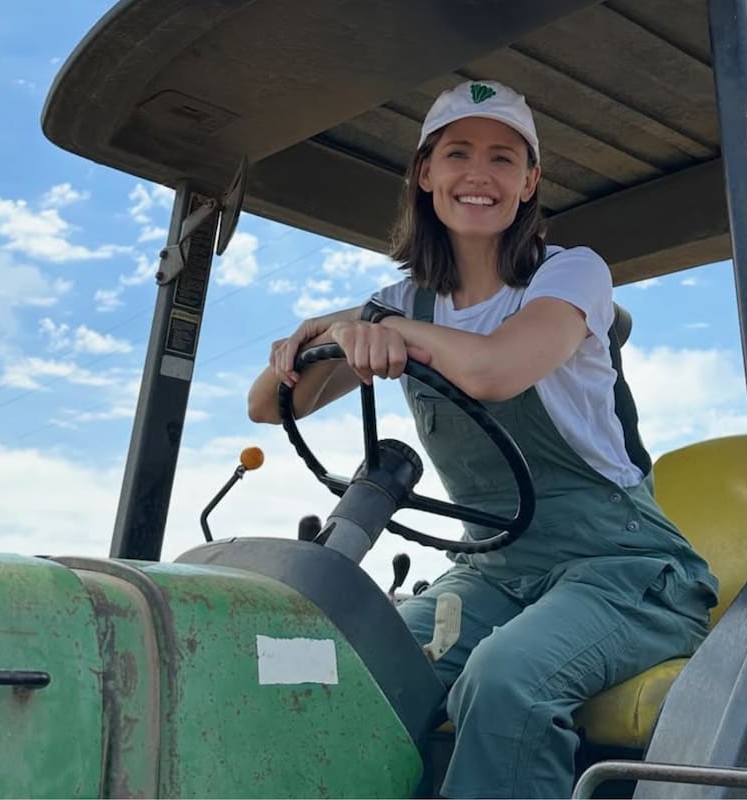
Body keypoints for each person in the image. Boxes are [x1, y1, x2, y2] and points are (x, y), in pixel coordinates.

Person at [248, 79, 718, 799]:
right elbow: (268, 407)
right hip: (496, 570)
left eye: (503, 159)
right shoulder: (403, 302)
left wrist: (387, 329)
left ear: (529, 182)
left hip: (622, 568)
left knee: (506, 681)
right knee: (364, 664)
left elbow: (496, 369)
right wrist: (327, 331)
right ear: (425, 174)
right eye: (457, 153)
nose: (479, 174)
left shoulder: (568, 275)